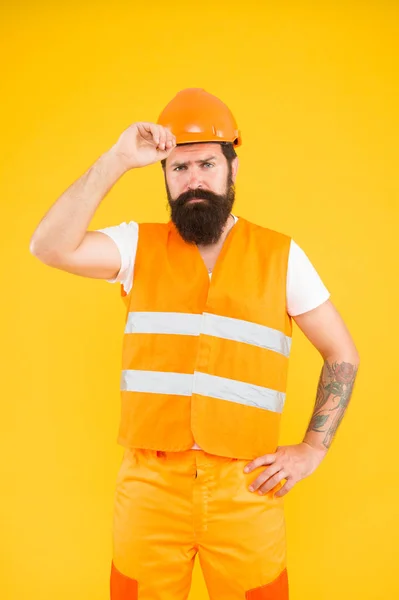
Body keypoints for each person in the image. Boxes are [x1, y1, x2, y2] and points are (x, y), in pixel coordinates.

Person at [30, 88, 360, 600]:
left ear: (233, 168)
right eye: (178, 169)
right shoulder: (136, 246)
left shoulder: (281, 256)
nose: (194, 180)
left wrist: (313, 449)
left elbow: (342, 353)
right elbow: (48, 245)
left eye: (206, 163)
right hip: (149, 489)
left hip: (246, 488)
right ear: (163, 177)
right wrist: (118, 158)